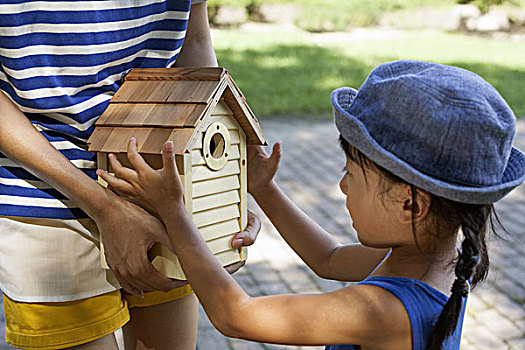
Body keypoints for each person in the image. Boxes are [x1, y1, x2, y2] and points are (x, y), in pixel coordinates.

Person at [99, 60, 525, 349]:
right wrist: (263, 189)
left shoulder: (383, 309)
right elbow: (330, 258)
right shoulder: (442, 258)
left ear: (411, 205)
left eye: (353, 176)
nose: (341, 187)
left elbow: (235, 315)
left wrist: (174, 211)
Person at [0, 1, 258, 349]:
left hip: (161, 184)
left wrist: (219, 186)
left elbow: (193, 39)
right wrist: (105, 207)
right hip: (45, 193)